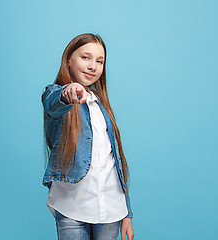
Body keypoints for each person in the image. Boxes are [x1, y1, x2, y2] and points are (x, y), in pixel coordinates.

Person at [41, 33, 134, 240]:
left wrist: (127, 213)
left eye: (99, 61)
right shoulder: (56, 94)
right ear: (68, 60)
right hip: (72, 206)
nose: (93, 66)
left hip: (111, 209)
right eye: (85, 57)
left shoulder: (102, 107)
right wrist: (68, 92)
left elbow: (114, 162)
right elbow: (53, 103)